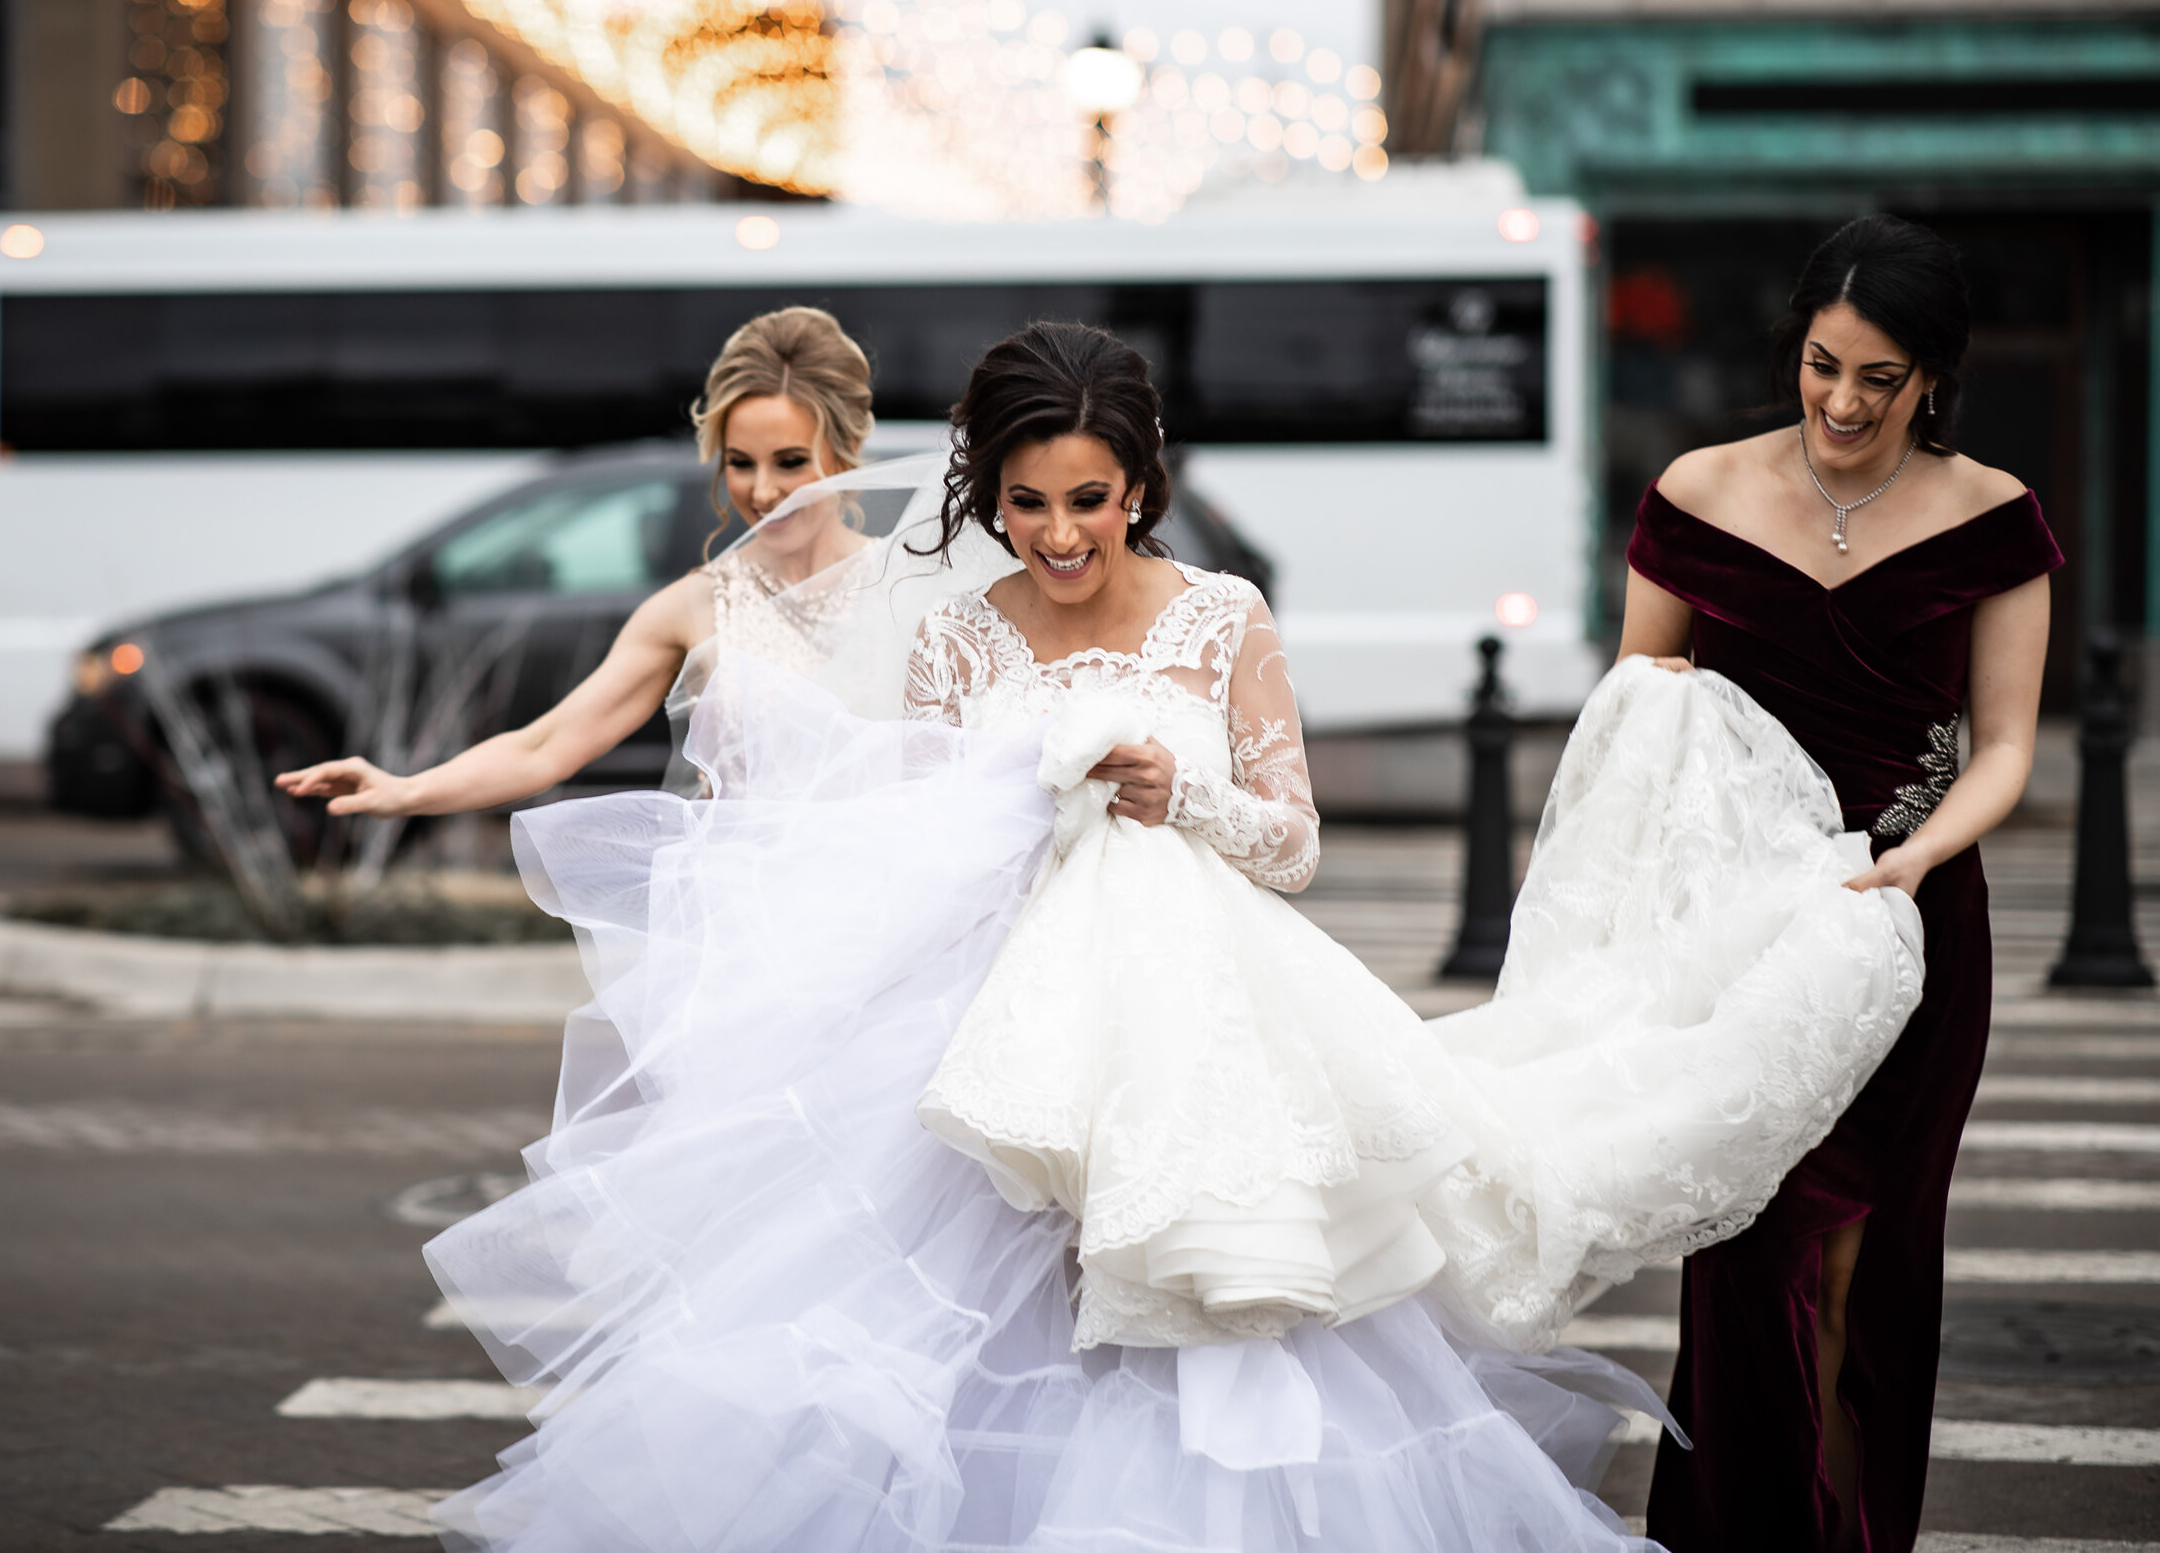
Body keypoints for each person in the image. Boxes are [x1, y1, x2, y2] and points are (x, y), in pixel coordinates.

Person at [418, 321, 1927, 1551]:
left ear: (1140, 484)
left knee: (1226, 1307)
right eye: (1026, 503)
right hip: (1015, 1022)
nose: (1060, 533)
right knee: (1000, 1332)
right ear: (988, 497)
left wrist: (1178, 787)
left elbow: (1294, 840)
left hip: (1204, 1013)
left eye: (1090, 497)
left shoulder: (1222, 615)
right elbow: (934, 842)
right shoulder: (960, 633)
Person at [1621, 215, 2062, 1553]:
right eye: (1825, 363)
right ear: (1792, 350)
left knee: (1868, 1256)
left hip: (1915, 932)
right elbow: (1638, 707)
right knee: (1756, 1247)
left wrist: (1922, 856)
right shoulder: (1698, 491)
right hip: (1745, 937)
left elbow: (2005, 745)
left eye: (1882, 376)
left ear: (1933, 377)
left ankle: (1854, 1529)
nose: (1845, 400)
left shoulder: (1995, 517)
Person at [272, 305, 880, 819]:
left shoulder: (911, 585)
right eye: (741, 462)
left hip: (894, 912)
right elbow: (546, 746)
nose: (763, 490)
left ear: (847, 454)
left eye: (792, 462)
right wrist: (406, 788)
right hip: (754, 918)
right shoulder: (691, 608)